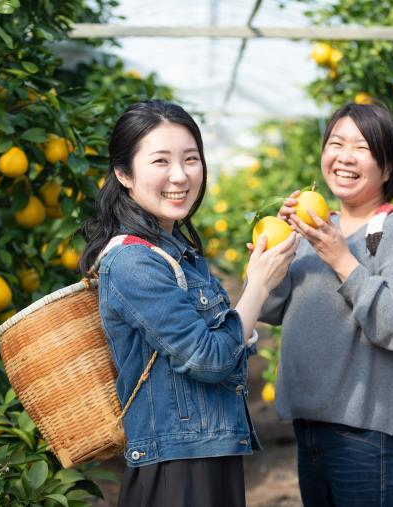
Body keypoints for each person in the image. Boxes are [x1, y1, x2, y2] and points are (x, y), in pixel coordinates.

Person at [79, 100, 298, 507]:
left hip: (206, 454)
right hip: (177, 469)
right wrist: (259, 285)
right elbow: (211, 360)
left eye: (191, 159)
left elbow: (222, 342)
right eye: (160, 161)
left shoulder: (177, 251)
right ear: (124, 174)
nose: (180, 175)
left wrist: (259, 280)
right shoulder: (132, 262)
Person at [258, 103, 393, 506]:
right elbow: (272, 310)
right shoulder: (318, 227)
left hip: (369, 436)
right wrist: (279, 251)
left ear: (388, 166)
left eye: (361, 147)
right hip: (311, 431)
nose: (344, 156)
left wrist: (343, 260)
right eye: (336, 143)